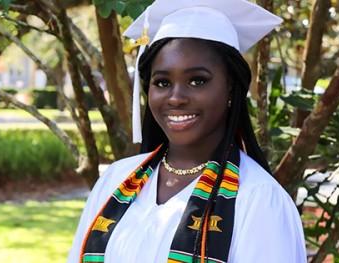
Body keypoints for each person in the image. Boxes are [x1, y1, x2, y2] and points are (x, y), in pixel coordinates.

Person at [67, 0, 307, 262]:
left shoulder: (259, 199)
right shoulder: (114, 181)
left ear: (230, 89)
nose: (176, 97)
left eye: (197, 80)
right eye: (162, 82)